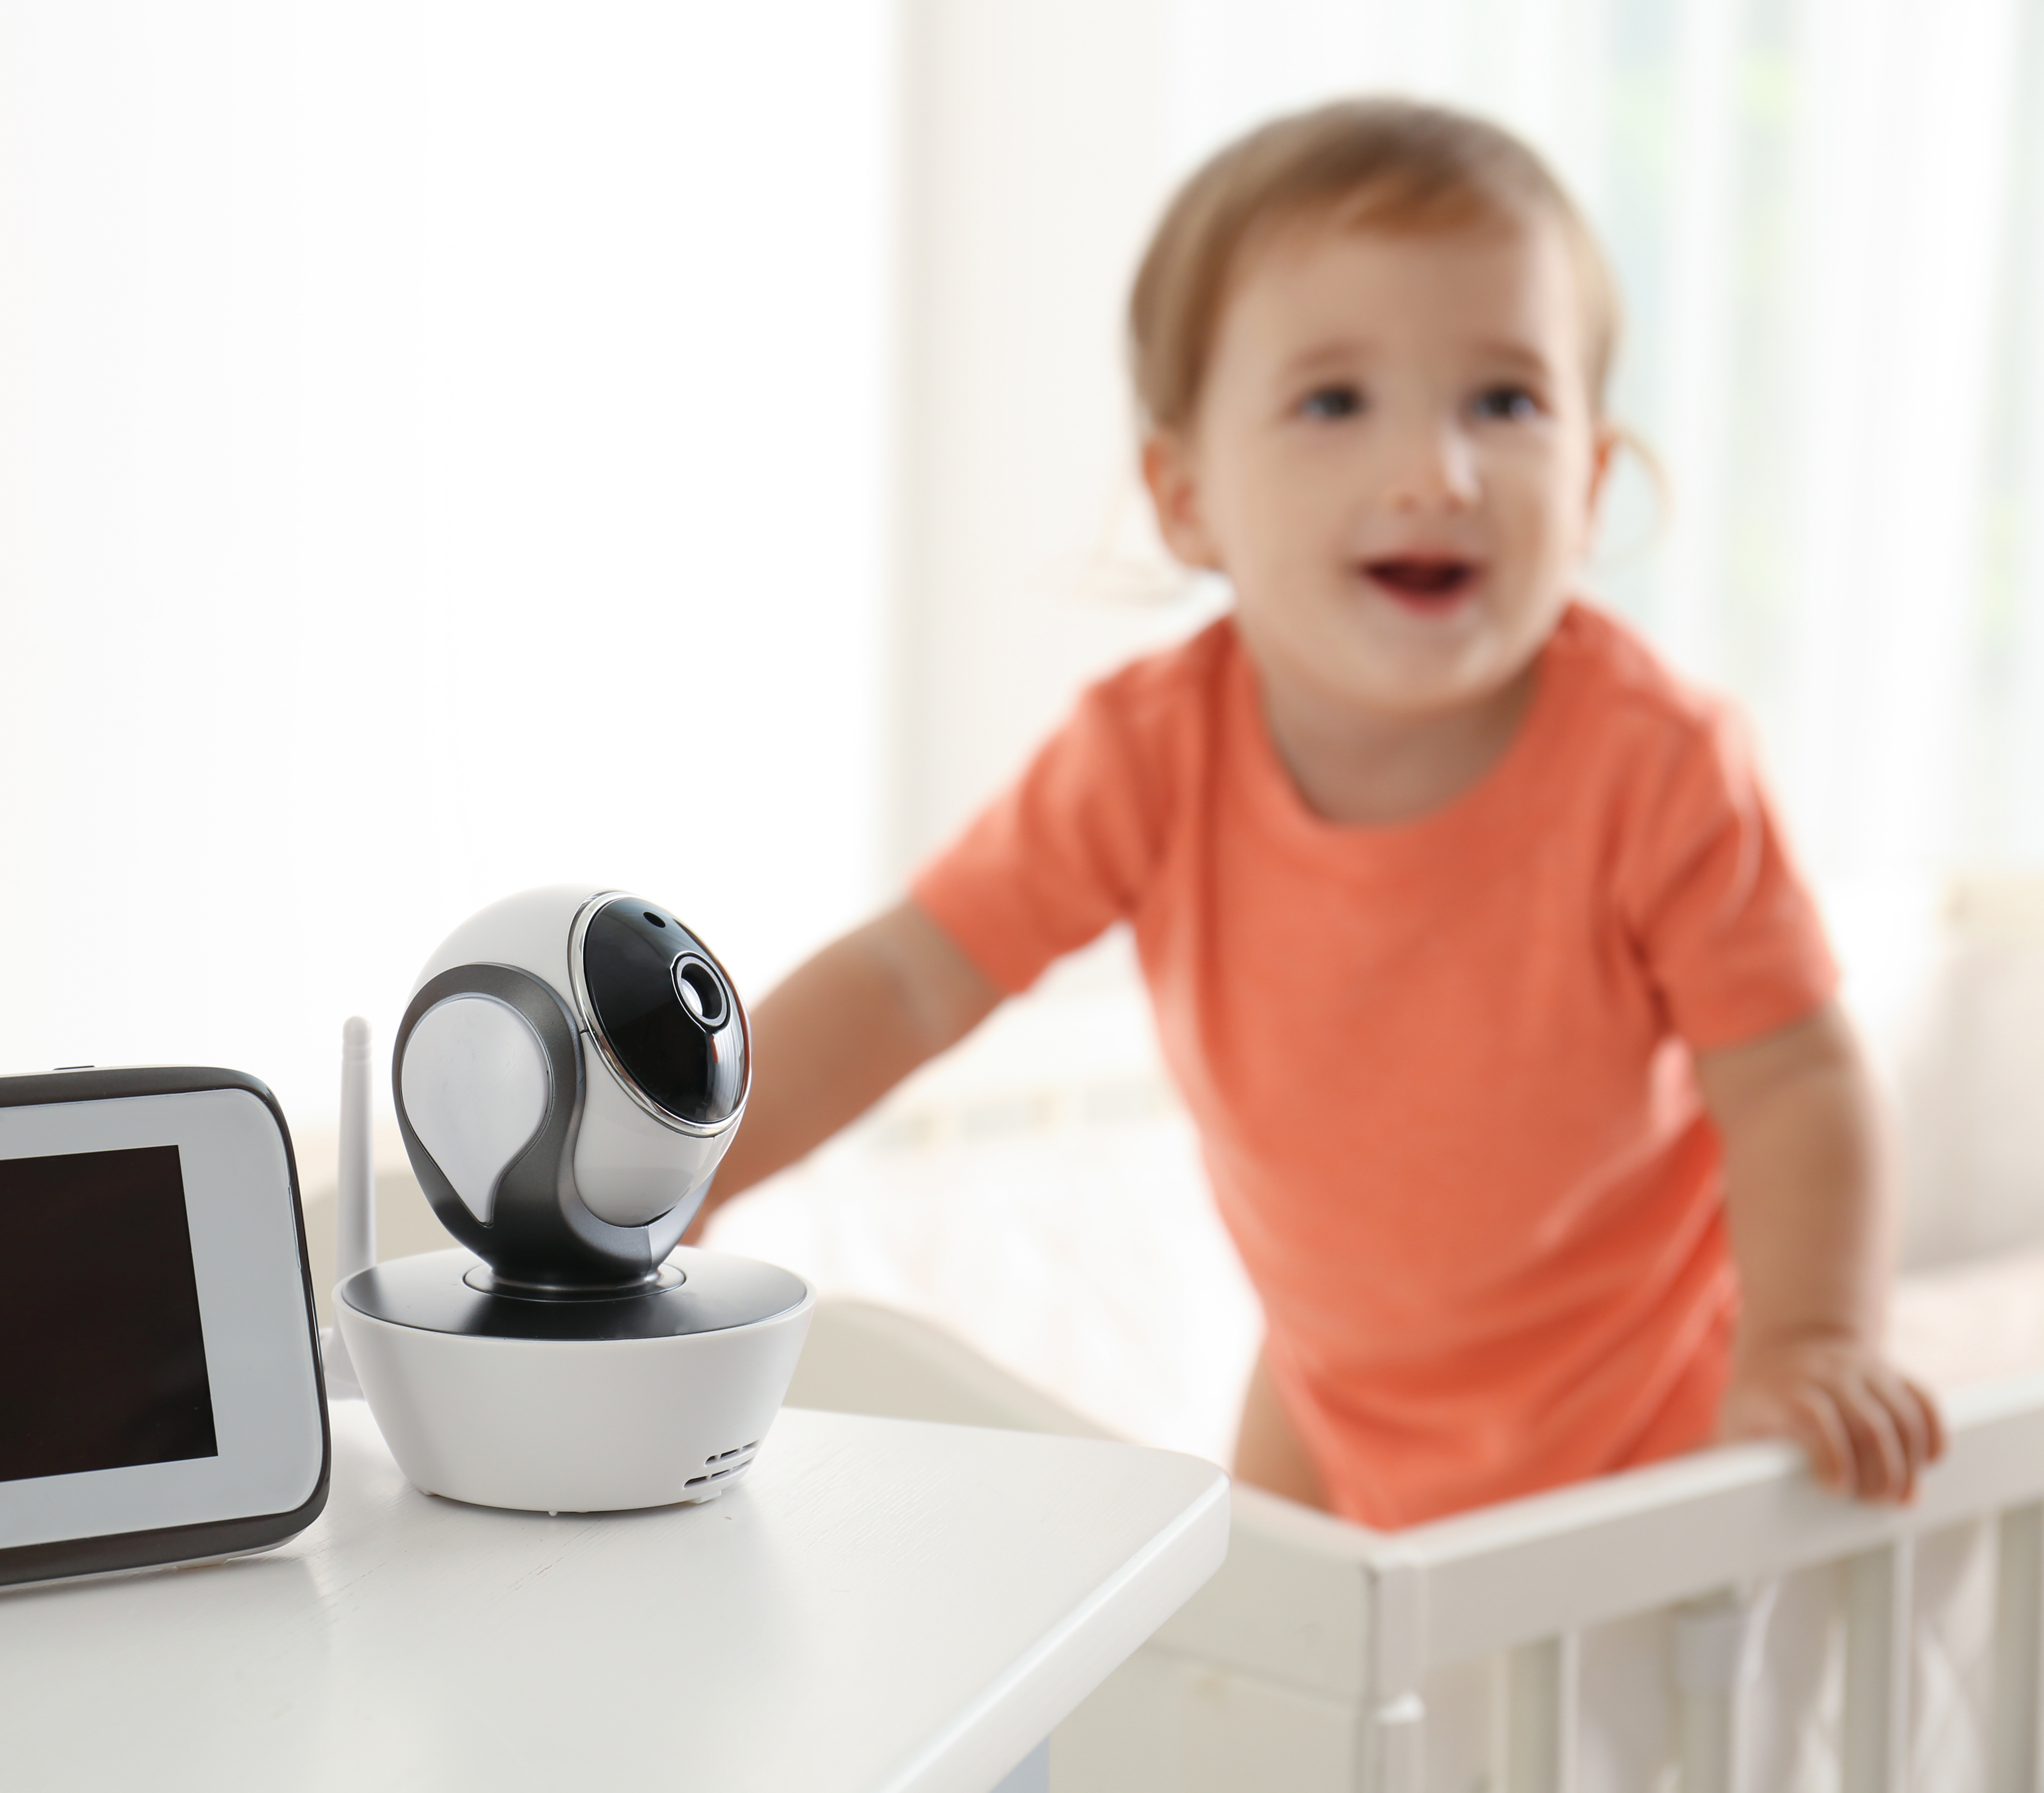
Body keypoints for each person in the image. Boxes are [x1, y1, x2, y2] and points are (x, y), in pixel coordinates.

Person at [691, 98, 1945, 1529]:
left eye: (1507, 401)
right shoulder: (1147, 758)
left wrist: (1810, 1344)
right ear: (1186, 498)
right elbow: (910, 979)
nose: (1437, 473)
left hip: (1649, 1411)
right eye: (1336, 402)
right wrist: (703, 1166)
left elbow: (1796, 1082)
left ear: (1592, 482)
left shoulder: (1656, 764)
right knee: (1253, 1684)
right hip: (1331, 1401)